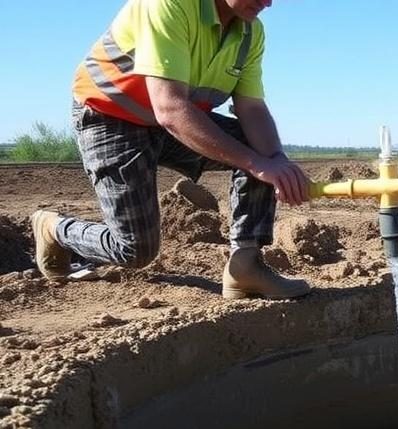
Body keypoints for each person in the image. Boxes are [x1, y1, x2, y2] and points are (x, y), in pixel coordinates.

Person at [31, 0, 312, 300]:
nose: (268, 2)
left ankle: (245, 267)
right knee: (135, 249)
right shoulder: (170, 4)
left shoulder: (249, 32)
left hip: (172, 120)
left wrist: (276, 161)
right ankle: (54, 229)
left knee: (263, 151)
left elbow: (252, 107)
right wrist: (258, 164)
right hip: (111, 117)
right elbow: (170, 107)